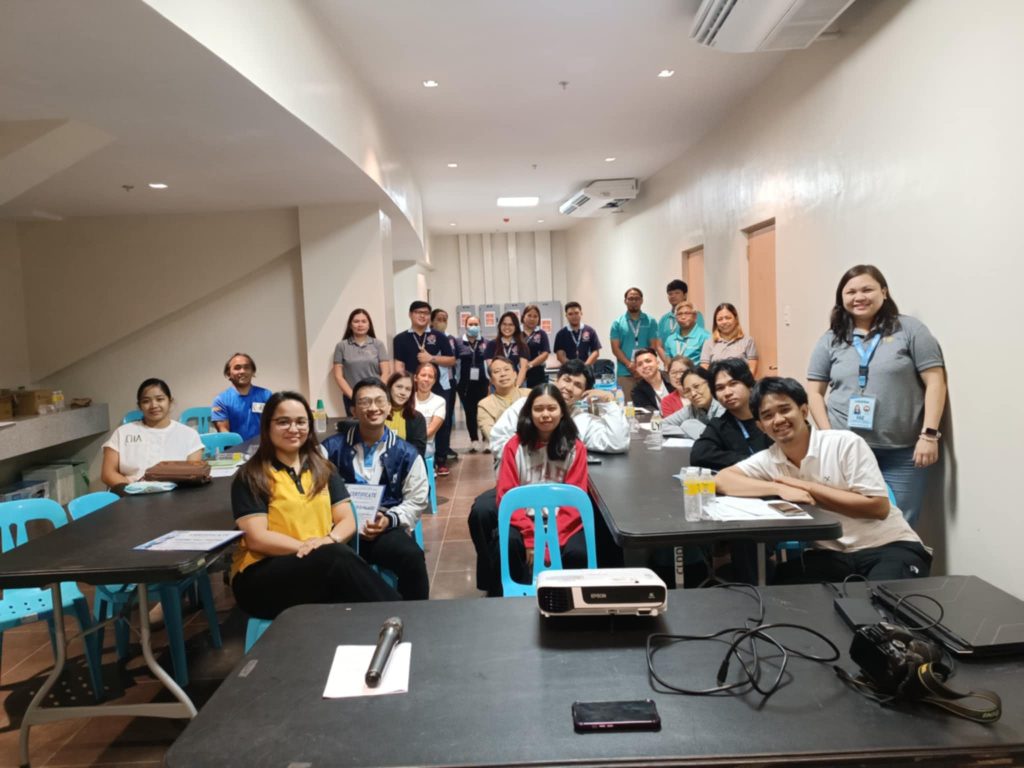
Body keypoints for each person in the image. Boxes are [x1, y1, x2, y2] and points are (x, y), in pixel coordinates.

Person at [717, 377, 931, 584]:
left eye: (785, 409)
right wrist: (778, 488)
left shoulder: (844, 443)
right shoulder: (770, 458)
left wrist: (806, 486)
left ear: (803, 410)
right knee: (783, 600)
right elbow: (723, 480)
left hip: (889, 546)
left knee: (883, 608)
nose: (779, 420)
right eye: (768, 415)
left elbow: (878, 507)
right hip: (829, 555)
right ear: (761, 426)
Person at [229, 391, 399, 620]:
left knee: (342, 570)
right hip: (262, 577)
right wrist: (312, 548)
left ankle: (389, 625)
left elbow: (347, 519)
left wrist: (329, 541)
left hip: (318, 564)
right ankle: (401, 616)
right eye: (283, 422)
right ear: (267, 426)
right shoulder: (251, 476)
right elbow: (257, 538)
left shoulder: (323, 469)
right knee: (339, 562)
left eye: (301, 422)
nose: (293, 428)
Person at [471, 360, 629, 595]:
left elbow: (615, 443)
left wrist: (609, 403)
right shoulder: (526, 410)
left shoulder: (580, 428)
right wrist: (526, 448)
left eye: (577, 384)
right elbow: (499, 449)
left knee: (586, 542)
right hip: (521, 491)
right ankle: (495, 588)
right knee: (483, 513)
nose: (545, 414)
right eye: (566, 379)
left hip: (559, 505)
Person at [806, 265, 946, 528]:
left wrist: (929, 435)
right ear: (841, 298)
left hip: (902, 452)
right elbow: (814, 392)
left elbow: (935, 381)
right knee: (850, 522)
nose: (859, 297)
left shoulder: (910, 330)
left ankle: (894, 570)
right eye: (851, 292)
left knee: (901, 523)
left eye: (867, 289)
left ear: (884, 292)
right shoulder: (831, 339)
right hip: (847, 451)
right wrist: (828, 436)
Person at [324, 378, 430, 600]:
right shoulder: (329, 449)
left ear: (389, 406)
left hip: (383, 528)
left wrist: (388, 520)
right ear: (353, 409)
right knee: (328, 561)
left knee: (412, 556)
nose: (373, 408)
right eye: (365, 402)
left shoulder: (406, 453)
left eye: (380, 401)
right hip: (338, 529)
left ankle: (416, 616)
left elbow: (417, 500)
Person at [493, 385, 590, 587]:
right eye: (538, 409)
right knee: (508, 546)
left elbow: (575, 501)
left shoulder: (575, 447)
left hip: (563, 521)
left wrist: (549, 544)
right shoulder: (514, 446)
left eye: (551, 408)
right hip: (523, 521)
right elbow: (506, 496)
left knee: (578, 553)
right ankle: (511, 603)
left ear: (562, 411)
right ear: (529, 412)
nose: (545, 415)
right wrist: (531, 538)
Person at [102, 378, 204, 486]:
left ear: (170, 401)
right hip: (129, 494)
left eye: (160, 399)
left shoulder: (189, 435)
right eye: (146, 401)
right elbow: (108, 473)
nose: (154, 405)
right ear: (140, 406)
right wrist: (132, 491)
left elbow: (192, 475)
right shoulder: (122, 433)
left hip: (175, 495)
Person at [393, 301, 455, 475]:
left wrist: (431, 358)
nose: (423, 316)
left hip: (438, 384)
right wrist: (402, 385)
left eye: (426, 313)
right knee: (412, 418)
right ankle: (414, 455)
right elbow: (399, 364)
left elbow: (451, 360)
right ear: (410, 314)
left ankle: (441, 459)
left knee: (443, 422)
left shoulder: (439, 336)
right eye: (418, 312)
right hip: (412, 386)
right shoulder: (400, 339)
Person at [691, 358, 773, 471]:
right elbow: (699, 455)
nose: (727, 393)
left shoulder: (771, 415)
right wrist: (752, 462)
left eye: (733, 384)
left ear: (749, 385)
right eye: (720, 388)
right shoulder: (719, 425)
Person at [331, 308, 392, 415]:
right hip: (351, 398)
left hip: (376, 397)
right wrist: (354, 397)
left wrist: (377, 393)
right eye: (356, 321)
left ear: (369, 325)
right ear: (350, 325)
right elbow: (338, 376)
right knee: (355, 427)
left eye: (364, 321)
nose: (360, 324)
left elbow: (386, 372)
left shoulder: (378, 345)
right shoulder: (341, 346)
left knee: (375, 427)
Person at [609, 287, 660, 401]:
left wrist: (641, 367)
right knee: (628, 407)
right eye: (630, 298)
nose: (633, 301)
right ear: (625, 301)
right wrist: (631, 366)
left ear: (642, 300)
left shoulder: (650, 321)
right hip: (625, 373)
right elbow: (615, 348)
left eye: (637, 298)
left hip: (646, 372)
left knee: (650, 405)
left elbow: (652, 346)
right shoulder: (617, 323)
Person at [211, 353, 272, 441]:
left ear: (252, 371)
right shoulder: (220, 401)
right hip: (234, 452)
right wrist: (240, 451)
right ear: (229, 373)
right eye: (237, 368)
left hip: (263, 449)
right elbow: (224, 431)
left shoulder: (266, 395)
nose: (242, 371)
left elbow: (273, 425)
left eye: (246, 367)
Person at [454, 316, 491, 452]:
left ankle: (486, 440)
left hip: (483, 384)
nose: (473, 326)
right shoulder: (458, 343)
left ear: (480, 326)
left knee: (484, 412)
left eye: (476, 324)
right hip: (465, 385)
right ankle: (474, 440)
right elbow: (454, 363)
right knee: (470, 413)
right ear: (465, 326)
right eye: (471, 324)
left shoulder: (486, 342)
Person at [477, 356, 530, 448]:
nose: (503, 374)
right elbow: (492, 436)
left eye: (506, 369)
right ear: (491, 380)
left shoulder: (530, 395)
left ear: (515, 374)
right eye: (497, 371)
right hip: (504, 453)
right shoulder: (485, 405)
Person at [663, 366, 725, 439]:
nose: (693, 394)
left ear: (709, 384)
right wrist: (688, 432)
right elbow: (658, 426)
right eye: (687, 391)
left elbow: (719, 437)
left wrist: (688, 426)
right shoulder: (691, 408)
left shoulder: (723, 404)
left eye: (696, 386)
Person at [430, 308, 459, 464]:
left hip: (450, 381)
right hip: (437, 383)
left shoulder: (451, 338)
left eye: (445, 319)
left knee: (448, 417)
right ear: (432, 321)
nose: (442, 322)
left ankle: (445, 447)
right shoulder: (430, 338)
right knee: (439, 417)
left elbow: (454, 359)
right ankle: (437, 452)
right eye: (439, 318)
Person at [700, 303, 758, 375]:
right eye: (720, 319)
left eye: (728, 318)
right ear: (716, 323)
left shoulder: (748, 341)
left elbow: (752, 369)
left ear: (736, 319)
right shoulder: (708, 343)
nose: (724, 322)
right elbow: (704, 368)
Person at [412, 362, 448, 475]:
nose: (426, 379)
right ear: (415, 377)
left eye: (430, 376)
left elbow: (431, 430)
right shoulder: (407, 399)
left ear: (434, 381)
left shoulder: (439, 401)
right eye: (423, 375)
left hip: (425, 448)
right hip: (405, 447)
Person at [658, 280, 705, 362]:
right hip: (671, 366)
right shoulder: (664, 319)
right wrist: (668, 363)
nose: (673, 296)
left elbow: (699, 340)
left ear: (685, 295)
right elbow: (659, 345)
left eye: (677, 293)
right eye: (670, 294)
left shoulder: (695, 315)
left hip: (691, 364)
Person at [384, 371, 427, 458]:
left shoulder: (417, 418)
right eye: (399, 387)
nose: (403, 393)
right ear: (390, 387)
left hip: (406, 467)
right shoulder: (378, 413)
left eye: (408, 389)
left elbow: (418, 452)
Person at [662, 301, 711, 369]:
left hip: (696, 377)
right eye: (679, 314)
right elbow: (667, 365)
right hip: (675, 376)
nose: (683, 317)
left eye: (687, 313)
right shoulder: (670, 339)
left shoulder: (705, 337)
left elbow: (707, 364)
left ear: (695, 316)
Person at [487, 311, 530, 387]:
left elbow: (523, 368)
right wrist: (501, 387)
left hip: (518, 385)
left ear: (516, 327)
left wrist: (516, 387)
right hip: (498, 387)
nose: (507, 327)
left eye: (511, 325)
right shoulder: (492, 344)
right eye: (504, 324)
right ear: (500, 325)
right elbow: (491, 369)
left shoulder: (522, 345)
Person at [553, 302, 601, 366]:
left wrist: (584, 367)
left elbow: (596, 352)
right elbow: (560, 356)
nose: (574, 316)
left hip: (587, 369)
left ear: (581, 313)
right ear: (566, 316)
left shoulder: (590, 331)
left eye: (576, 313)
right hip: (568, 371)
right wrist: (572, 368)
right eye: (570, 314)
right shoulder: (561, 334)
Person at [629, 347, 671, 412]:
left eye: (648, 361)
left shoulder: (672, 379)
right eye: (640, 364)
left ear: (657, 363)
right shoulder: (637, 391)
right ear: (637, 369)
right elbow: (650, 415)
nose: (645, 366)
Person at [520, 304, 552, 388]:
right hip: (518, 372)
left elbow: (545, 353)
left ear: (539, 319)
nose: (532, 319)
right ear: (523, 317)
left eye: (535, 316)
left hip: (537, 373)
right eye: (529, 315)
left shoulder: (541, 333)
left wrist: (530, 365)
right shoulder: (516, 333)